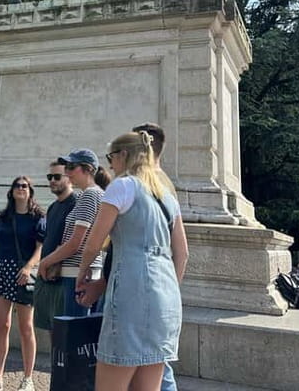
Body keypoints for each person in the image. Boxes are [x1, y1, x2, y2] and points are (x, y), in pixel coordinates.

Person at [76, 131, 187, 391]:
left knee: (111, 381)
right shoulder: (167, 197)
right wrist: (170, 288)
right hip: (167, 294)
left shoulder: (123, 186)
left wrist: (83, 274)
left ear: (123, 155)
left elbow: (94, 242)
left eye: (111, 157)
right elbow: (182, 254)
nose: (111, 165)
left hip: (132, 289)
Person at [0, 176, 46, 391]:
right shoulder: (4, 217)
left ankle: (28, 379)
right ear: (12, 191)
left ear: (30, 191)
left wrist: (28, 268)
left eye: (24, 186)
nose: (20, 189)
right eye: (17, 186)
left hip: (24, 275)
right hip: (3, 272)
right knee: (2, 325)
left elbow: (41, 247)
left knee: (26, 327)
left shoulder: (37, 217)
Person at [38, 149, 105, 318]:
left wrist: (45, 262)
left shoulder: (90, 195)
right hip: (80, 272)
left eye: (72, 167)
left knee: (74, 336)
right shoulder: (91, 194)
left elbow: (75, 243)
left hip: (77, 273)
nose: (67, 172)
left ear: (88, 169)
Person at [33, 161, 77, 330]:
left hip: (63, 276)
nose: (52, 180)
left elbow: (72, 240)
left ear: (69, 178)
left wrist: (55, 263)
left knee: (63, 332)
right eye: (50, 177)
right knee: (51, 329)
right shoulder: (52, 207)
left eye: (57, 177)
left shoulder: (76, 203)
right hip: (47, 275)